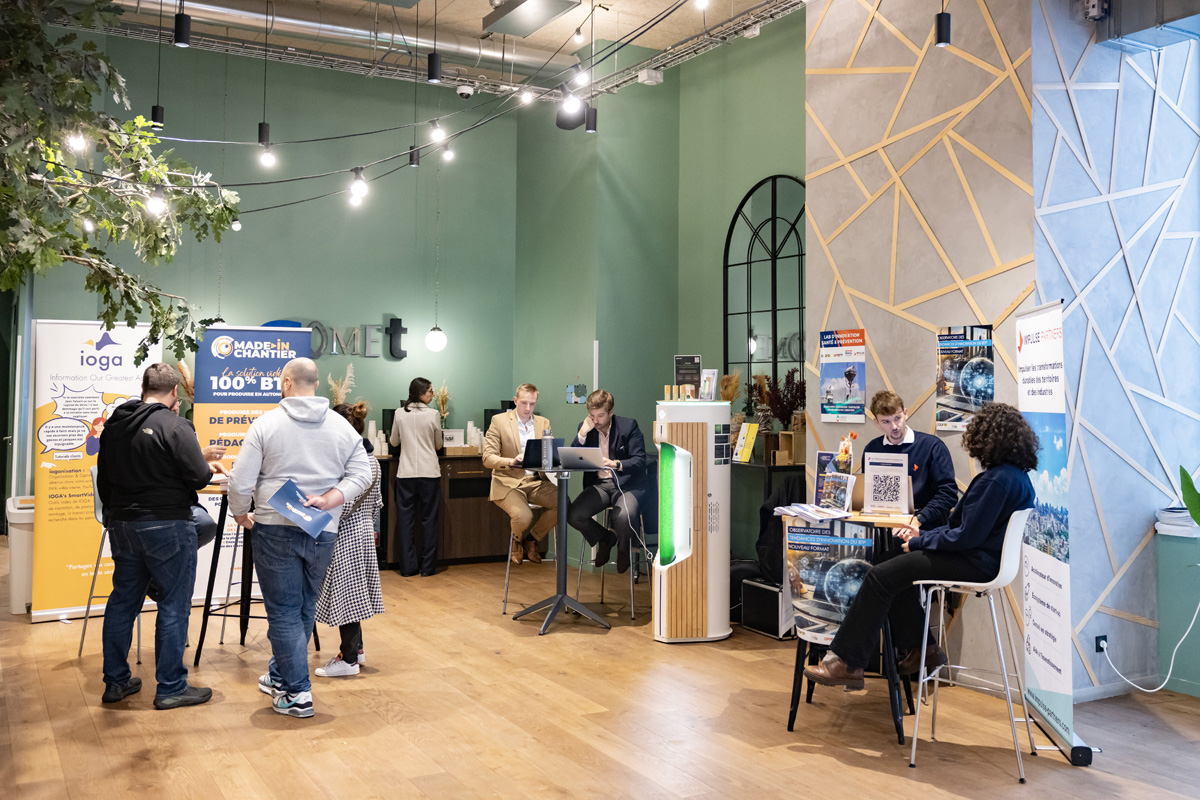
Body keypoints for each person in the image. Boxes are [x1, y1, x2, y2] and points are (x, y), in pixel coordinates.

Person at [804, 402, 1038, 688]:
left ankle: (848, 663)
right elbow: (964, 530)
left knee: (880, 575)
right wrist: (920, 536)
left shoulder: (996, 481)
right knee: (887, 564)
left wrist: (919, 541)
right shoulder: (1015, 477)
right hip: (981, 559)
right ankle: (923, 648)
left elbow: (966, 536)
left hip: (975, 563)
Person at [228, 358, 372, 718]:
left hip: (273, 526)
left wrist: (240, 512)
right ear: (317, 384)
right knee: (304, 607)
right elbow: (363, 473)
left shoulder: (266, 424)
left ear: (287, 383)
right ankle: (281, 676)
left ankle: (297, 692)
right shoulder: (341, 427)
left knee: (283, 610)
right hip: (323, 527)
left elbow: (240, 480)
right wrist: (331, 498)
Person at [97, 363, 227, 709]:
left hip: (122, 524)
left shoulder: (114, 425)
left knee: (122, 603)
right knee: (173, 604)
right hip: (167, 524)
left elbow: (104, 482)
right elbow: (199, 477)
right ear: (174, 392)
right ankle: (170, 687)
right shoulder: (175, 425)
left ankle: (115, 683)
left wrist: (116, 515)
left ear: (143, 389)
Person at [314, 402, 385, 678]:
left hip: (345, 534)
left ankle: (349, 658)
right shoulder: (372, 461)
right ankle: (358, 649)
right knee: (354, 593)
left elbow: (339, 507)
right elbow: (376, 503)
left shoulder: (347, 464)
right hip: (364, 531)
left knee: (346, 596)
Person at [564, 390, 647, 573]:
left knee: (623, 517)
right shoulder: (586, 428)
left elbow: (639, 460)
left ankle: (623, 548)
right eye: (592, 415)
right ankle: (606, 538)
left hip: (626, 485)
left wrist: (616, 464)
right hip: (600, 486)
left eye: (600, 415)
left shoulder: (628, 426)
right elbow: (572, 459)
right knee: (573, 515)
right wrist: (582, 433)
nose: (596, 420)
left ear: (611, 412)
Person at [482, 383, 557, 565]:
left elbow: (549, 454)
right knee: (524, 516)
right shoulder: (499, 421)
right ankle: (516, 540)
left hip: (535, 480)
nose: (528, 408)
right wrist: (511, 462)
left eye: (532, 404)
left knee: (563, 504)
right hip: (507, 481)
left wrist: (551, 458)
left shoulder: (543, 423)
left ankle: (531, 540)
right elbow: (488, 458)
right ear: (515, 401)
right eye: (524, 403)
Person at [861, 390, 958, 527]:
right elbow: (868, 492)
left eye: (897, 418)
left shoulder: (932, 446)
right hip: (885, 525)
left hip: (925, 526)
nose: (894, 427)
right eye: (886, 421)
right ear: (876, 422)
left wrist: (919, 519)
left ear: (905, 413)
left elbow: (948, 493)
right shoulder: (872, 449)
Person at [389, 377, 443, 577]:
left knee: (406, 520)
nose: (433, 394)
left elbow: (394, 441)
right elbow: (438, 444)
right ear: (421, 393)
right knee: (429, 520)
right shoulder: (433, 414)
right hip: (429, 473)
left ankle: (408, 567)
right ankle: (428, 568)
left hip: (406, 473)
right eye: (430, 391)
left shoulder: (399, 413)